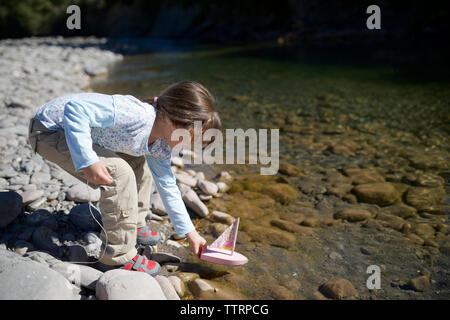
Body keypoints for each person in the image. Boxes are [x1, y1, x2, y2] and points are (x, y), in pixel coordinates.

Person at [27, 80, 222, 276]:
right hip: (49, 130)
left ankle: (133, 225)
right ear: (174, 122)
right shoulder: (136, 115)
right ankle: (116, 257)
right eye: (190, 138)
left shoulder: (160, 144)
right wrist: (87, 160)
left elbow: (168, 186)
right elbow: (75, 109)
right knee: (120, 173)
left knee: (139, 164)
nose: (188, 146)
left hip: (75, 131)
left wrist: (191, 234)